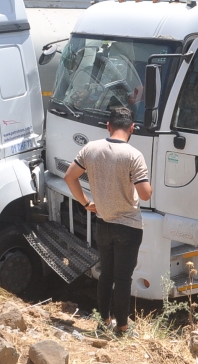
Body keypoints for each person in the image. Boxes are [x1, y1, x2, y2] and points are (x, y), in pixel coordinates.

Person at [64, 107, 152, 336]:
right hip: (129, 226)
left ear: (108, 126)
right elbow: (145, 194)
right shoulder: (134, 155)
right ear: (132, 128)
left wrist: (85, 203)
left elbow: (69, 177)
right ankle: (122, 328)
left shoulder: (90, 148)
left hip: (102, 223)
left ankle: (104, 322)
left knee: (106, 275)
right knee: (123, 279)